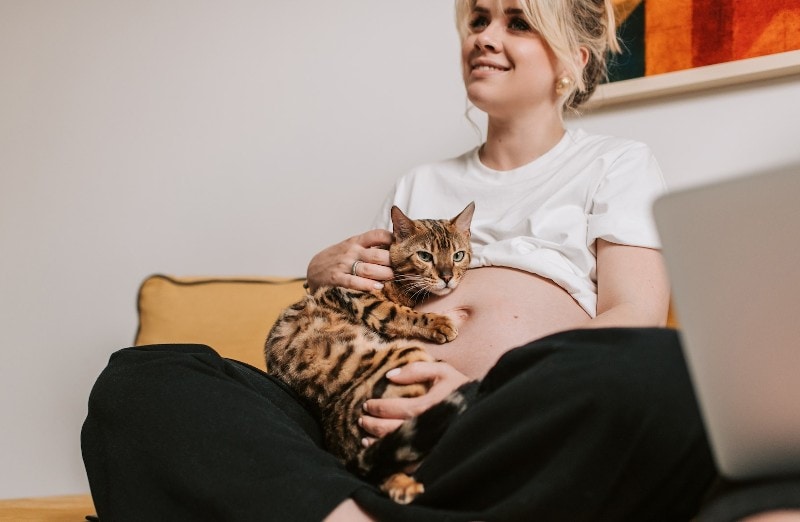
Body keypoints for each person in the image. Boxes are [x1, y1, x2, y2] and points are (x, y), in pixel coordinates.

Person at [80, 0, 799, 520]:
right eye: (478, 19)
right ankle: (351, 512)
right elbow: (345, 323)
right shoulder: (419, 186)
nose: (486, 36)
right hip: (369, 424)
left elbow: (631, 319)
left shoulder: (616, 163)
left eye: (518, 21)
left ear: (574, 61)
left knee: (663, 370)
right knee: (146, 380)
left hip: (499, 416)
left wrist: (468, 378)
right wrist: (322, 270)